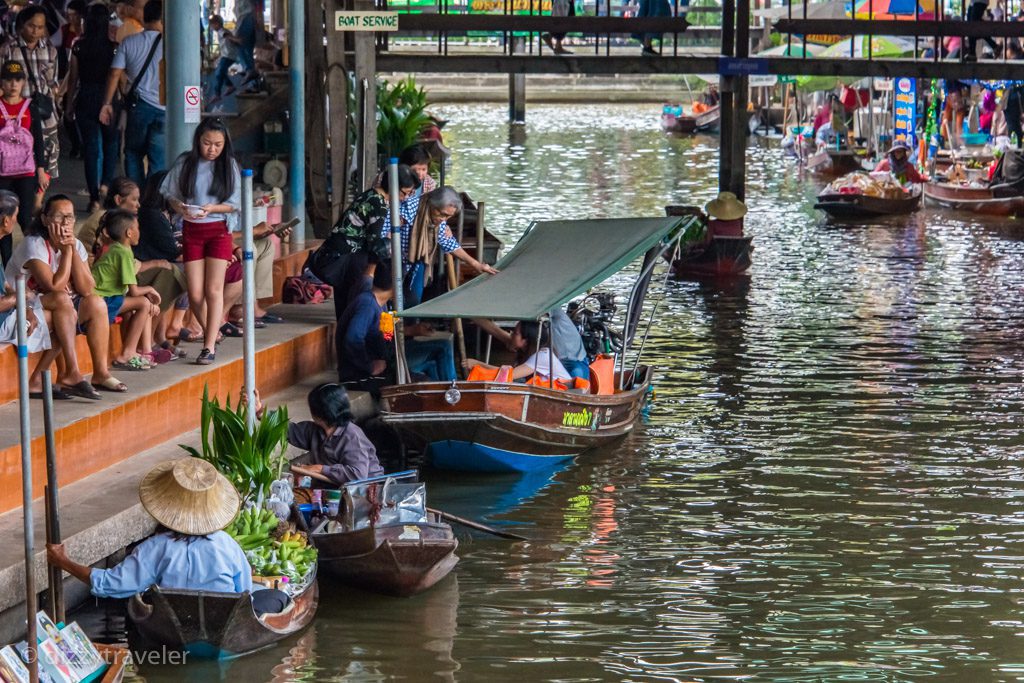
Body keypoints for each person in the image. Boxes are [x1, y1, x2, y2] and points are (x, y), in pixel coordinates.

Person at [47, 457, 290, 615]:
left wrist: (63, 562)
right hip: (223, 617)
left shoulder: (155, 547)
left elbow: (111, 584)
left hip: (174, 618)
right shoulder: (226, 545)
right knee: (278, 597)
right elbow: (244, 593)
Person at [4, 194, 127, 399]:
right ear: (45, 219)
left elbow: (88, 289)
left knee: (95, 304)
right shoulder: (33, 244)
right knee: (63, 304)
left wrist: (71, 249)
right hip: (20, 306)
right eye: (59, 217)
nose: (65, 223)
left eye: (70, 217)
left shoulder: (74, 244)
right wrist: (67, 252)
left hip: (47, 305)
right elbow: (54, 286)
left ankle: (99, 373)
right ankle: (68, 373)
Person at [161, 117, 241, 365]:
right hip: (191, 229)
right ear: (198, 141)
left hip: (219, 230)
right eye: (208, 143)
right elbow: (169, 193)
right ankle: (212, 332)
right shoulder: (186, 162)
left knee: (213, 289)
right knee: (195, 292)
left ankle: (208, 346)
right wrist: (180, 207)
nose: (212, 149)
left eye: (218, 144)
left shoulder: (229, 165)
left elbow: (236, 204)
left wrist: (212, 207)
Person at [311, 164, 419, 322]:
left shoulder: (370, 195)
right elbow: (374, 245)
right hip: (343, 257)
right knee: (354, 299)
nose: (405, 198)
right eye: (405, 193)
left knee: (345, 304)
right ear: (394, 187)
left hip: (336, 253)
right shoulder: (379, 204)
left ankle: (344, 326)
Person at [250, 384, 384, 486]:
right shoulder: (316, 430)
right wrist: (261, 412)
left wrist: (319, 468)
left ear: (319, 414)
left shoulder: (352, 436)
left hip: (364, 490)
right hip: (335, 487)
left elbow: (358, 475)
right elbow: (289, 430)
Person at [388, 187, 497, 310]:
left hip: (418, 260)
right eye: (442, 214)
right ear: (432, 205)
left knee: (413, 300)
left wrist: (476, 264)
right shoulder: (409, 209)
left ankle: (408, 326)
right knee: (390, 297)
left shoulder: (438, 219)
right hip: (394, 259)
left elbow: (448, 243)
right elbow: (386, 232)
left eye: (448, 217)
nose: (443, 219)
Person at [100, 0, 163, 188]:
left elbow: (114, 73)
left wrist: (107, 103)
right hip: (164, 107)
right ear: (162, 18)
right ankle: (153, 199)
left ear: (145, 16)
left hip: (139, 106)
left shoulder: (129, 42)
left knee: (133, 152)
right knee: (158, 158)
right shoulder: (171, 44)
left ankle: (136, 197)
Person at [0, 189, 56, 396]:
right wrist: (21, 299)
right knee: (61, 317)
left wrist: (27, 307)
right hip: (2, 321)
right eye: (15, 216)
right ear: (6, 220)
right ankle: (39, 379)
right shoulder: (32, 244)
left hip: (10, 313)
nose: (16, 221)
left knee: (62, 311)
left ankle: (47, 377)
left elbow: (5, 287)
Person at [90, 209, 161, 371]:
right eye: (138, 228)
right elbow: (135, 292)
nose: (139, 232)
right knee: (143, 303)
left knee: (132, 309)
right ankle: (127, 353)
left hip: (102, 298)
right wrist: (150, 289)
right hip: (102, 301)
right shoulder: (123, 252)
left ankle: (132, 351)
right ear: (129, 232)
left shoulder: (115, 248)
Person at [0, 6, 61, 186]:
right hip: (17, 118)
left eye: (40, 27)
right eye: (31, 26)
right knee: (16, 161)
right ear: (21, 25)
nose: (36, 31)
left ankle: (38, 203)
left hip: (44, 117)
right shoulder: (8, 50)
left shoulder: (50, 51)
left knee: (46, 161)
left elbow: (53, 83)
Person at [68, 4, 119, 213]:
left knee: (91, 148)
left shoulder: (78, 46)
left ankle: (94, 197)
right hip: (109, 98)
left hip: (86, 97)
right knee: (111, 144)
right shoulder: (114, 47)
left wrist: (69, 103)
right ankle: (106, 184)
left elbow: (73, 79)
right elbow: (118, 77)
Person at [0, 59, 45, 267]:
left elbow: (39, 140)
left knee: (26, 218)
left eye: (18, 80)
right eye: (9, 79)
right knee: (3, 219)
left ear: (23, 82)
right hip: (2, 173)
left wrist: (42, 169)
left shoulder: (30, 108)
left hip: (26, 172)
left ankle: (33, 261)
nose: (13, 84)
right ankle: (8, 263)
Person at [463, 320, 572, 383]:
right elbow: (496, 331)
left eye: (515, 333)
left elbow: (507, 375)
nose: (511, 333)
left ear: (526, 340)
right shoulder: (526, 349)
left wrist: (477, 364)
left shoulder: (542, 355)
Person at [77, 176, 138, 256]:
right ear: (118, 200)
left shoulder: (107, 216)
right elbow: (119, 259)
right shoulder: (113, 221)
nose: (138, 205)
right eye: (134, 199)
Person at [207, 14, 240, 104]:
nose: (212, 27)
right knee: (220, 72)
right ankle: (229, 86)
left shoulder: (222, 31)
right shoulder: (223, 31)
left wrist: (236, 40)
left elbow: (228, 37)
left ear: (217, 24)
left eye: (212, 25)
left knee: (219, 72)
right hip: (227, 55)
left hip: (228, 56)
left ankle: (217, 94)